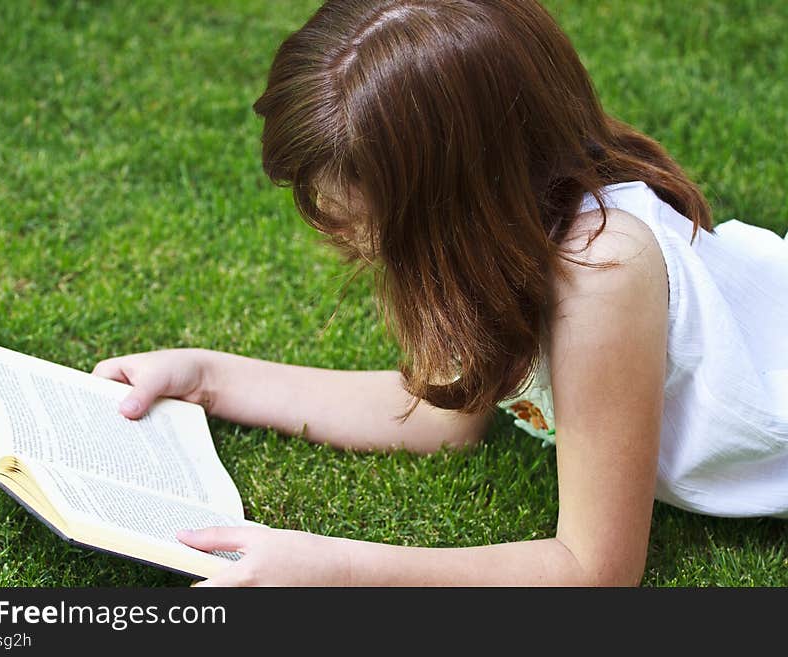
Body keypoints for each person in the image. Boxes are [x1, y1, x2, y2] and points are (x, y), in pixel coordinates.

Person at [91, 0, 788, 586]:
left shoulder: (602, 274)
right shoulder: (501, 239)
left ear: (454, 204)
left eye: (369, 223)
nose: (346, 236)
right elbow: (441, 417)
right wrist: (209, 377)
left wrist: (328, 567)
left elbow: (593, 568)